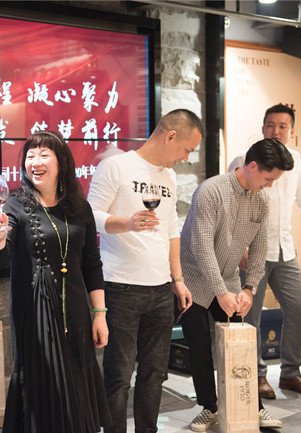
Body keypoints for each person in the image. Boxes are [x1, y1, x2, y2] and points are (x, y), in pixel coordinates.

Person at [0, 131, 111, 433]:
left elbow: (92, 265)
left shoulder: (80, 207)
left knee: (76, 387)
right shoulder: (15, 203)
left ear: (61, 161)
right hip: (36, 313)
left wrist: (100, 314)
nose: (35, 162)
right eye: (30, 156)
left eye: (44, 155)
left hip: (76, 311)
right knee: (43, 387)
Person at [87, 109, 201, 433]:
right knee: (119, 376)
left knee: (155, 373)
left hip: (161, 289)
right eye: (187, 149)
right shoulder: (116, 166)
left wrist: (178, 279)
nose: (185, 158)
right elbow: (89, 215)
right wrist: (127, 223)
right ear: (170, 136)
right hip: (121, 286)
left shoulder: (169, 177)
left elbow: (172, 229)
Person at [181, 138, 294, 432]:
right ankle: (208, 407)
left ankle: (253, 407)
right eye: (268, 179)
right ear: (253, 166)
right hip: (194, 280)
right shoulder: (210, 191)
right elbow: (201, 246)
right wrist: (220, 292)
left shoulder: (261, 200)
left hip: (230, 278)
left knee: (239, 345)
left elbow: (260, 246)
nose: (269, 185)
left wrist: (249, 288)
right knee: (199, 346)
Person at [229, 103, 301, 399]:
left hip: (284, 249)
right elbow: (231, 204)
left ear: (291, 131)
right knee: (251, 316)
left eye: (283, 126)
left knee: (299, 308)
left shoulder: (294, 160)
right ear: (262, 128)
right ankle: (257, 374)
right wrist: (239, 245)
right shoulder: (245, 159)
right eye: (270, 125)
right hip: (252, 253)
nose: (276, 131)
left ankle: (290, 373)